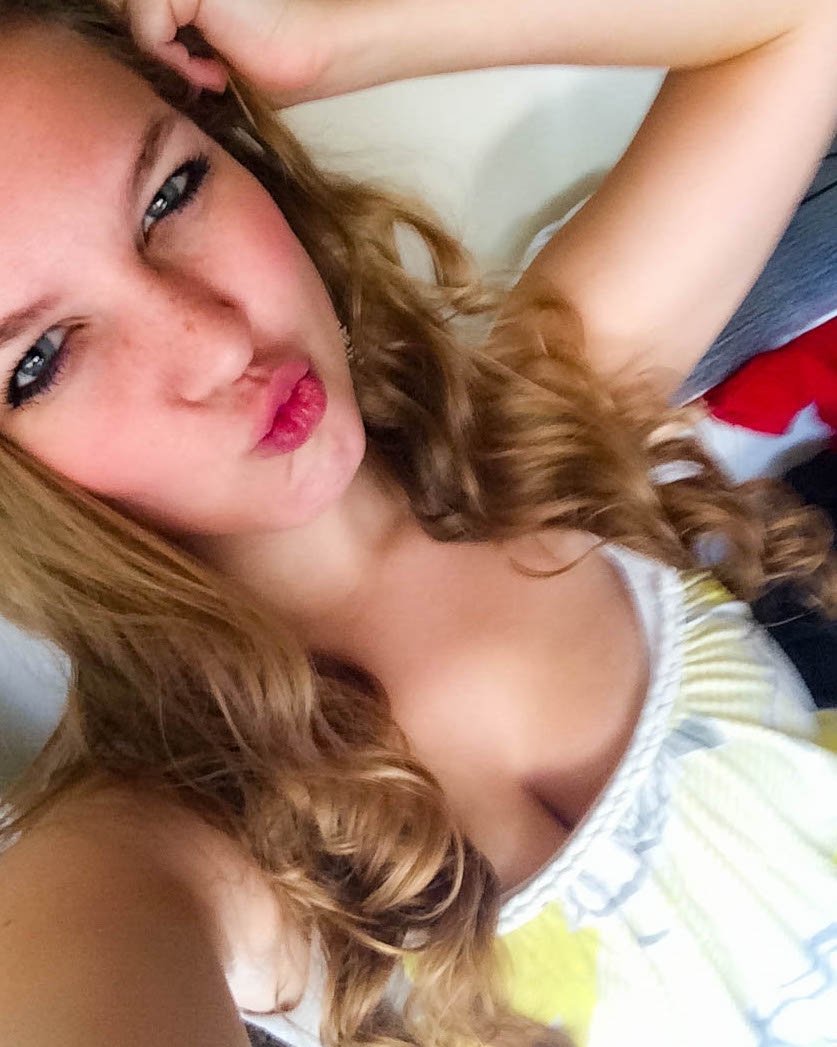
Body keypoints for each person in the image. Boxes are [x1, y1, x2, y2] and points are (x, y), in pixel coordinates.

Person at [0, 2, 835, 1046]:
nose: (217, 344)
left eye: (173, 191)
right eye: (41, 359)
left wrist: (326, 42)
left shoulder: (538, 422)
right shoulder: (162, 842)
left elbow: (797, 26)